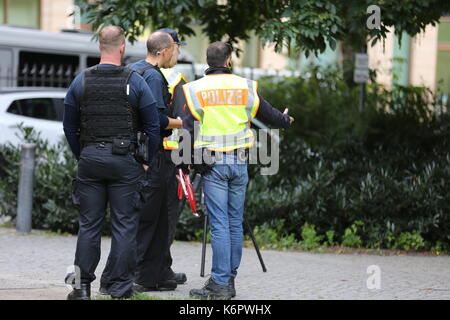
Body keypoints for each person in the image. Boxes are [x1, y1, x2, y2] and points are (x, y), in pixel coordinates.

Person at [181, 41, 294, 300]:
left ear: (207, 61)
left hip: (213, 165)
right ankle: (226, 281)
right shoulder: (244, 86)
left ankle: (220, 283)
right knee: (234, 223)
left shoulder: (195, 89)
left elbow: (188, 126)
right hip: (239, 164)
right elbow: (268, 114)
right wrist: (285, 120)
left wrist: (186, 160)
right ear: (229, 60)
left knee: (220, 225)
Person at [63, 25, 160, 300]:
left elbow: (69, 127)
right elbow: (153, 127)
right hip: (125, 162)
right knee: (125, 225)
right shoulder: (136, 81)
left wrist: (82, 155)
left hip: (90, 159)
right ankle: (119, 288)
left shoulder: (81, 81)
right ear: (123, 47)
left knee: (89, 226)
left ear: (99, 47)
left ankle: (81, 289)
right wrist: (146, 161)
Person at [100, 30, 183, 293]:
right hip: (153, 158)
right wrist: (184, 122)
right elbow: (157, 120)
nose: (176, 55)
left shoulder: (132, 70)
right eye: (175, 49)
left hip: (133, 154)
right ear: (164, 50)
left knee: (146, 220)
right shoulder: (155, 77)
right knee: (148, 221)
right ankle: (130, 278)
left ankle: (153, 276)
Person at [158, 28, 189, 286]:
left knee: (147, 215)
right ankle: (161, 270)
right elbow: (185, 121)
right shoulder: (177, 79)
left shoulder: (138, 72)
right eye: (178, 46)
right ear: (169, 48)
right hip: (171, 156)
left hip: (144, 154)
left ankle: (153, 268)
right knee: (168, 215)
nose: (180, 51)